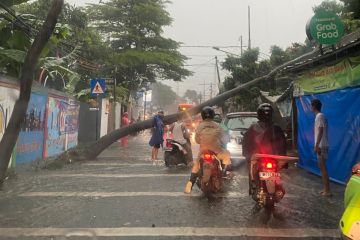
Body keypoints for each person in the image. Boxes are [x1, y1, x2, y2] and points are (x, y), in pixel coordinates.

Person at [184, 106, 231, 194]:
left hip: (203, 151)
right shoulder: (218, 126)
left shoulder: (199, 126)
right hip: (216, 151)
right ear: (213, 116)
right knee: (227, 155)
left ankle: (190, 182)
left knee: (196, 165)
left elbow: (197, 140)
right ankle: (223, 172)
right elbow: (223, 138)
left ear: (202, 116)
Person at [242, 103, 286, 195]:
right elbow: (283, 144)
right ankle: (278, 186)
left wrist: (247, 155)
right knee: (277, 169)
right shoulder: (277, 127)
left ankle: (253, 186)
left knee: (251, 168)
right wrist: (283, 159)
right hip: (274, 157)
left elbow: (246, 143)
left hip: (259, 157)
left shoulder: (253, 127)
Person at [311, 99, 331, 196]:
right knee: (322, 167)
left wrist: (316, 145)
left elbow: (320, 131)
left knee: (323, 168)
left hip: (321, 146)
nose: (310, 108)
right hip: (321, 145)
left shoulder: (319, 116)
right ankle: (326, 189)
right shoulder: (319, 116)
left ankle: (327, 191)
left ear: (313, 107)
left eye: (311, 106)